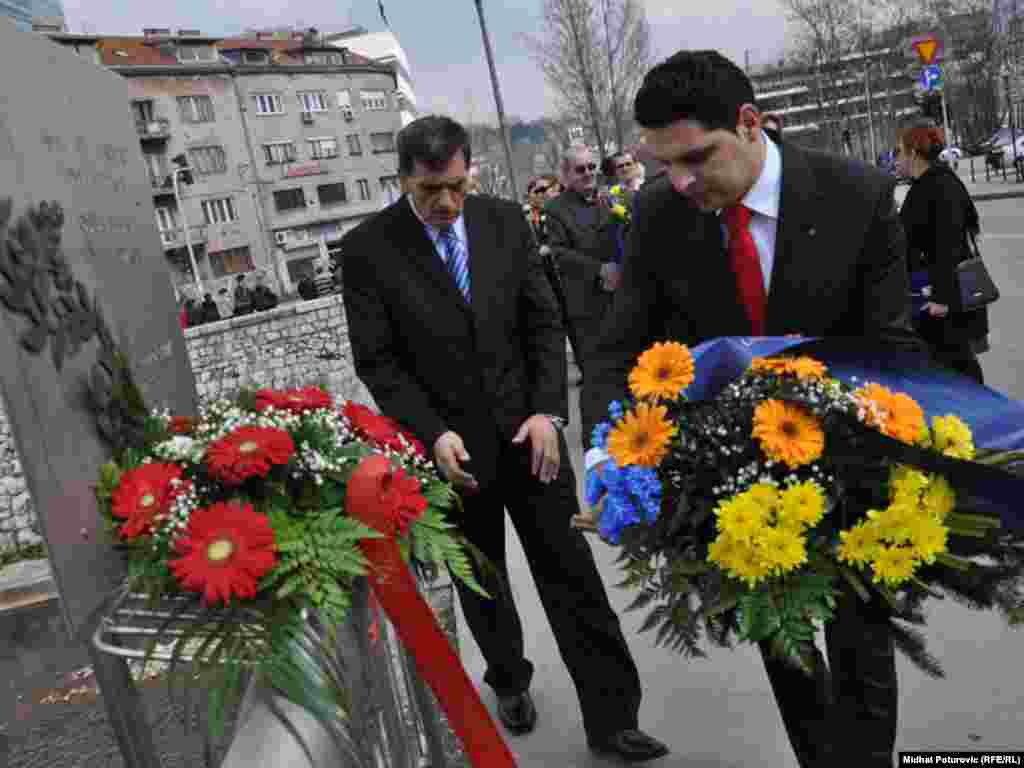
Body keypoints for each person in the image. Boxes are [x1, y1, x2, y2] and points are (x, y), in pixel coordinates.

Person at [580, 50, 914, 768]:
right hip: (736, 487)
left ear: (750, 123)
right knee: (784, 648)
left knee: (862, 643)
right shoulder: (660, 214)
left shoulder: (855, 196)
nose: (680, 180)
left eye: (696, 159)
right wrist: (605, 450)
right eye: (665, 163)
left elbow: (892, 346)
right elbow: (616, 348)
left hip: (850, 460)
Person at [341, 115, 668, 763]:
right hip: (454, 454)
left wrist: (549, 412)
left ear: (471, 173)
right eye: (431, 189)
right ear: (404, 178)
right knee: (483, 581)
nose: (446, 203)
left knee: (573, 576)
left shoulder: (505, 223)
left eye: (458, 186)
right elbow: (378, 363)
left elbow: (544, 325)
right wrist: (430, 434)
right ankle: (510, 680)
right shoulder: (367, 251)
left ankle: (613, 717)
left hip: (533, 438)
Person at [896, 117, 987, 384]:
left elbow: (948, 245)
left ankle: (980, 415)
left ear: (913, 153)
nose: (897, 158)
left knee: (956, 365)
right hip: (938, 295)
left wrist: (942, 298)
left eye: (899, 151)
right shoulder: (934, 184)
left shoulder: (936, 187)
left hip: (942, 299)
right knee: (952, 364)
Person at [543, 146, 621, 377]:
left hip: (621, 299)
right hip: (588, 305)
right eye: (580, 169)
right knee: (600, 375)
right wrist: (599, 270)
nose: (588, 173)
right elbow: (558, 251)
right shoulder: (555, 209)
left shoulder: (611, 198)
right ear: (566, 175)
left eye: (591, 167)